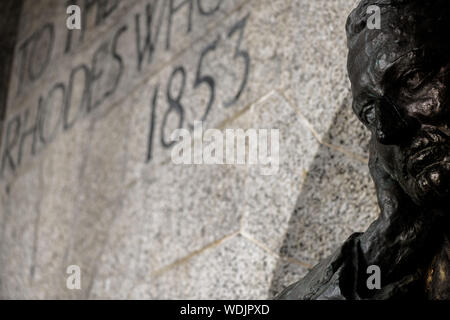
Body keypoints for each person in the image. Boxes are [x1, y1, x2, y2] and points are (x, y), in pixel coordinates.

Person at [278, 0, 450, 299]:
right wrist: (389, 241)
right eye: (370, 113)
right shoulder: (402, 265)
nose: (386, 131)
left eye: (412, 78)